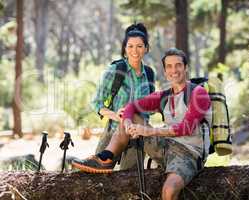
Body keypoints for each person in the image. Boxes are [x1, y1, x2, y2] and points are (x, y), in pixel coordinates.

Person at [73, 48, 211, 200]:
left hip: (188, 154)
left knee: (169, 191)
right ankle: (106, 158)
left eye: (178, 65)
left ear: (186, 68)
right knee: (133, 116)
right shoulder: (164, 95)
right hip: (166, 147)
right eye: (169, 66)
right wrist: (126, 122)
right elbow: (132, 106)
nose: (174, 70)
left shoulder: (198, 93)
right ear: (165, 71)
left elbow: (186, 127)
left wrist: (148, 131)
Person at [91, 23, 155, 170]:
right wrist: (117, 116)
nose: (135, 51)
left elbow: (151, 108)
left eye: (139, 46)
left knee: (129, 184)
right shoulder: (115, 70)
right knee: (97, 178)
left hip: (137, 138)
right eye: (130, 46)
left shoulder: (150, 74)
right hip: (113, 132)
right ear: (125, 48)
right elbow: (96, 103)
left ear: (146, 48)